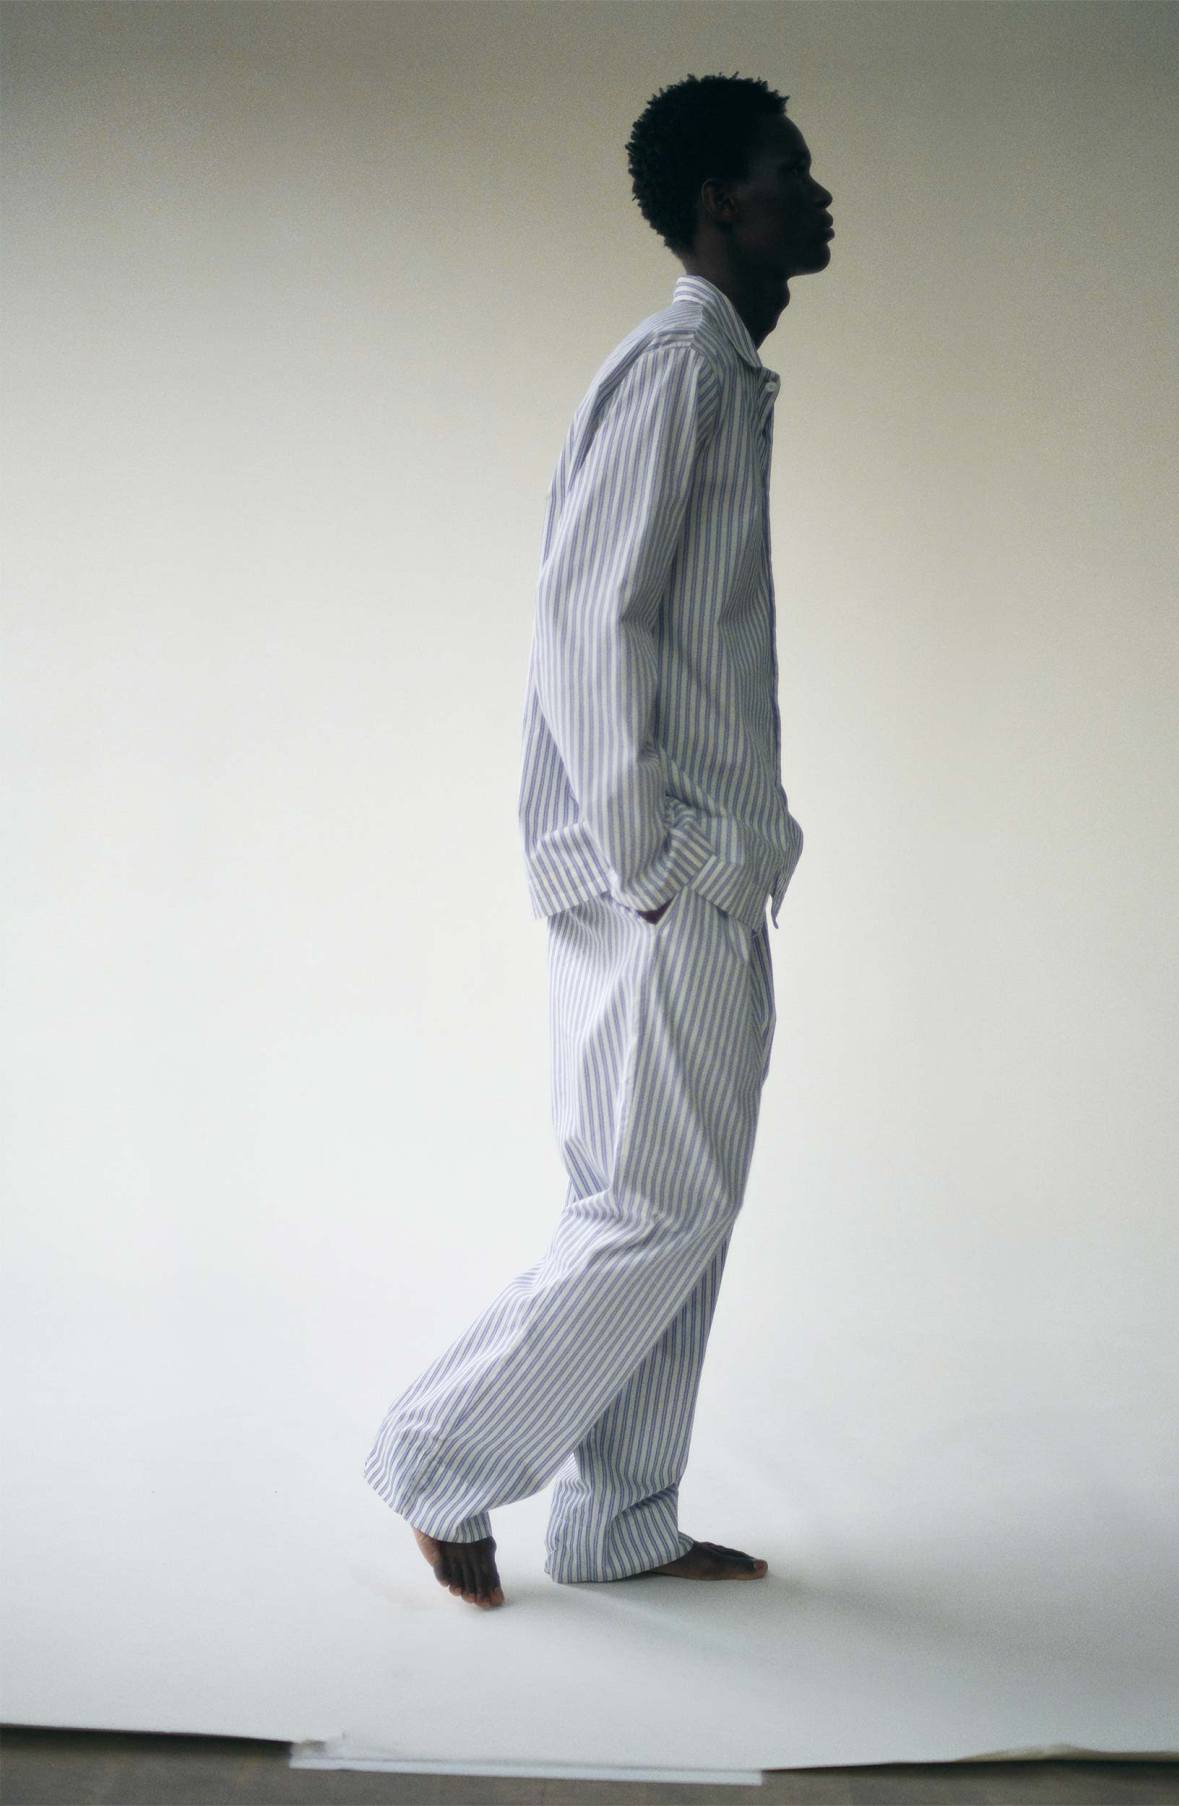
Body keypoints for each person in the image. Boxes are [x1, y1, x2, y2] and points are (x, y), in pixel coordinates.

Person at [363, 71, 833, 1609]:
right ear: (719, 202)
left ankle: (622, 1518)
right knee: (652, 1207)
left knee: (676, 1206)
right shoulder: (679, 367)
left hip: (701, 864)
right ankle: (438, 1454)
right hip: (666, 870)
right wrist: (645, 854)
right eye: (787, 171)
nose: (817, 194)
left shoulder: (722, 376)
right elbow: (585, 612)